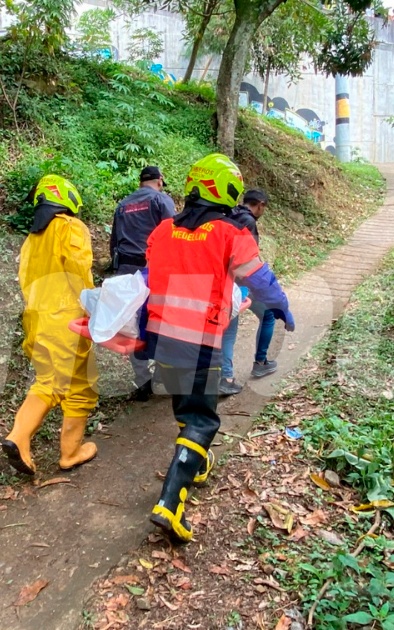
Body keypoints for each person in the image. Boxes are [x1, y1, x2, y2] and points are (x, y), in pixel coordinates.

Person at [143, 154, 295, 543]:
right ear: (226, 191)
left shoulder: (162, 231)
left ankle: (197, 464)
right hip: (200, 342)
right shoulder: (230, 234)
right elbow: (258, 279)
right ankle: (169, 503)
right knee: (203, 421)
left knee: (186, 409)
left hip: (163, 339)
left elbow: (146, 279)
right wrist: (280, 305)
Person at [2, 175, 99, 476]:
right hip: (67, 319)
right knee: (79, 386)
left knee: (49, 381)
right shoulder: (70, 227)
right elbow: (78, 270)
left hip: (36, 321)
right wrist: (94, 309)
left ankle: (27, 438)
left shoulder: (31, 240)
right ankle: (64, 452)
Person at [110, 166, 176, 401]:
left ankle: (142, 380)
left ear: (140, 182)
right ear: (160, 181)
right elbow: (173, 234)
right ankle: (161, 374)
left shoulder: (123, 204)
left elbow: (114, 239)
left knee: (134, 328)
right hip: (153, 272)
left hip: (126, 271)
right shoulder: (161, 200)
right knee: (160, 323)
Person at [219, 189, 279, 395]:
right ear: (260, 204)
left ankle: (225, 376)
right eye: (264, 208)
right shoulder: (249, 222)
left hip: (222, 280)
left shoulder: (228, 214)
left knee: (228, 328)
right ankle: (260, 362)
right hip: (241, 282)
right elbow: (247, 259)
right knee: (269, 314)